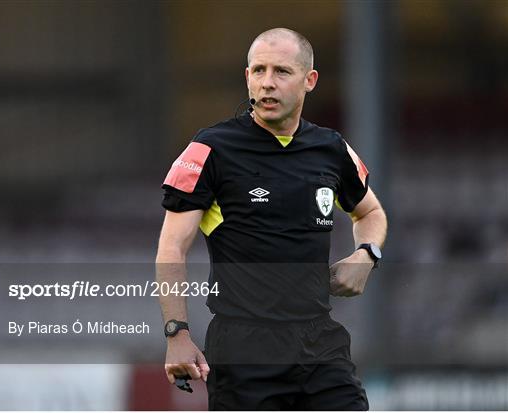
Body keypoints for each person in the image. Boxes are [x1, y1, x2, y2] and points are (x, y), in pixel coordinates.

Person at [156, 27, 387, 410]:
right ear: (247, 77)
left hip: (319, 343)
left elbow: (371, 212)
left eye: (281, 71)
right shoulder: (209, 149)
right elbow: (171, 246)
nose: (267, 83)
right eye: (258, 71)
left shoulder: (331, 148)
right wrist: (176, 333)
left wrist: (367, 254)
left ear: (309, 80)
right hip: (244, 348)